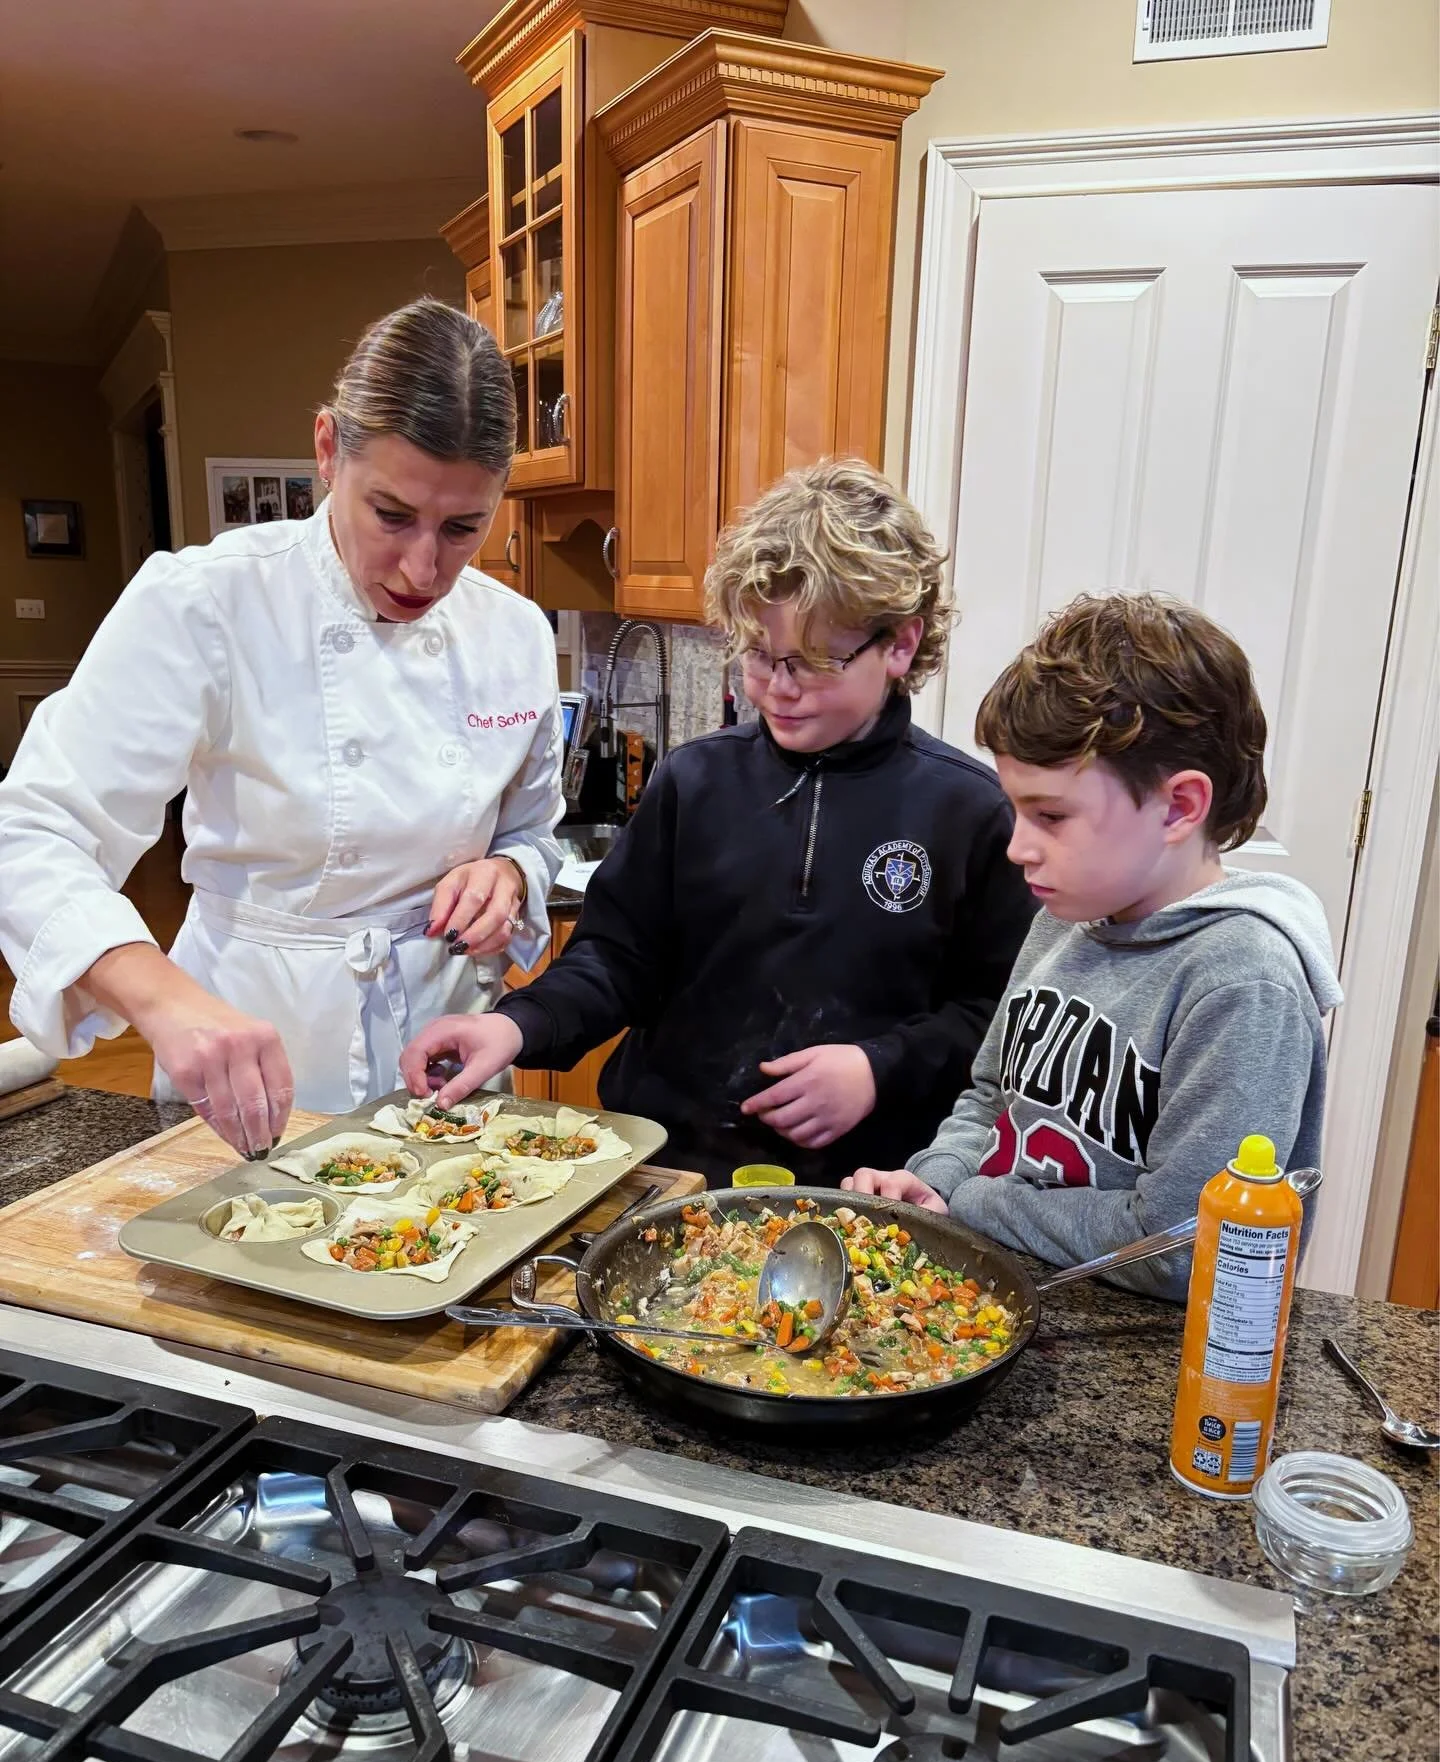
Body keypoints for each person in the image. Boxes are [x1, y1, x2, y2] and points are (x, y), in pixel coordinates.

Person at [0, 298, 564, 1158]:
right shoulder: (208, 602)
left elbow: (536, 832)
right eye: (391, 514)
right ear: (327, 449)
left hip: (449, 1072)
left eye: (463, 528)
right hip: (251, 1068)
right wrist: (162, 996)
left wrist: (510, 874)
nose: (424, 566)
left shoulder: (515, 634)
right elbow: (33, 830)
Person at [400, 458, 1037, 1186]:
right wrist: (514, 1025)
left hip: (861, 1193)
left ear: (900, 644)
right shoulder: (694, 781)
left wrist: (878, 1068)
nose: (777, 688)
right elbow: (616, 959)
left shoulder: (970, 811)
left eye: (812, 662)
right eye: (758, 655)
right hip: (669, 1170)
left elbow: (997, 1020)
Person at [845, 592, 1341, 1299]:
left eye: (1050, 815)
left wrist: (977, 1201)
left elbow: (1182, 1244)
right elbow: (990, 1098)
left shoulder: (1243, 982)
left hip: (1156, 1352)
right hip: (1012, 1303)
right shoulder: (1069, 915)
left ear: (1179, 806)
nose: (1018, 846)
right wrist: (935, 1180)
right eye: (1017, 810)